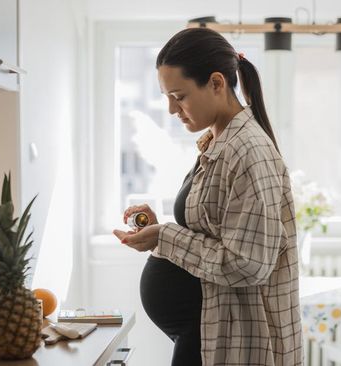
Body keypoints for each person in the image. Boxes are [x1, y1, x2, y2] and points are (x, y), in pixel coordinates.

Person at [113, 27, 302, 366]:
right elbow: (213, 233)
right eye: (167, 97)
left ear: (216, 83)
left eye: (179, 96)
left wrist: (165, 236)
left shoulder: (248, 152)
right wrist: (159, 229)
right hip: (206, 331)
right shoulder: (219, 142)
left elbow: (248, 263)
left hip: (233, 339)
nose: (172, 109)